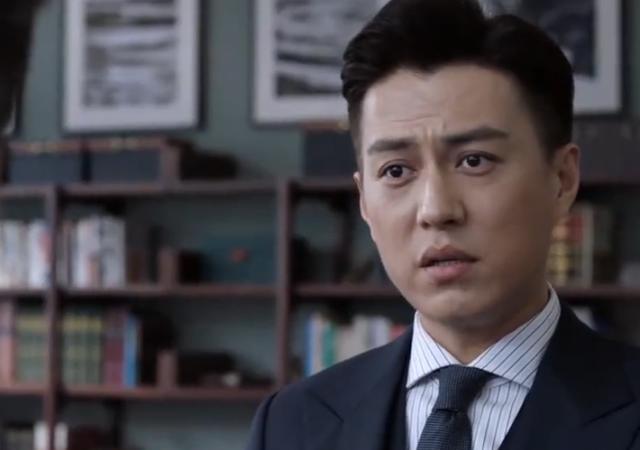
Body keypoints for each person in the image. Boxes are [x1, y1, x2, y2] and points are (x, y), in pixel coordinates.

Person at [246, 0, 640, 449]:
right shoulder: (291, 425)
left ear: (562, 180)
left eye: (475, 161)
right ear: (364, 200)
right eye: (396, 170)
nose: (435, 209)